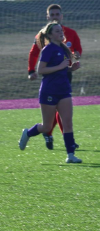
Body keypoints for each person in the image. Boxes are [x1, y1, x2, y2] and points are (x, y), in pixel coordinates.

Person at [19, 21, 81, 163]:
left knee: (68, 123)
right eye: (57, 31)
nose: (61, 33)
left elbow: (63, 69)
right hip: (49, 91)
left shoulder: (64, 49)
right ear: (50, 35)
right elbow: (41, 70)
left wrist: (71, 69)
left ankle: (70, 156)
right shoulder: (48, 49)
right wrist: (60, 66)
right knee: (47, 126)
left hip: (64, 90)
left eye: (61, 31)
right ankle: (28, 133)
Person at [28, 4, 82, 150]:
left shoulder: (69, 33)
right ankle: (48, 133)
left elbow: (77, 49)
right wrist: (30, 70)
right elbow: (34, 54)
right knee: (52, 114)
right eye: (52, 15)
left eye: (57, 14)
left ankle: (68, 144)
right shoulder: (42, 36)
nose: (55, 17)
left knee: (63, 111)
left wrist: (76, 57)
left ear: (61, 16)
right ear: (48, 17)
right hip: (49, 79)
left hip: (65, 75)